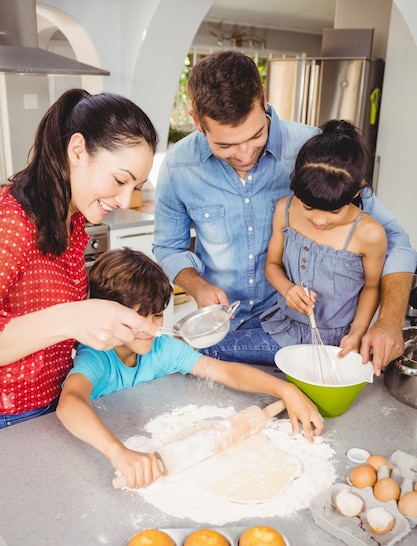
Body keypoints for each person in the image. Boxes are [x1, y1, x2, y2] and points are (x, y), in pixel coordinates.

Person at [153, 50, 416, 373]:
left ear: (263, 98)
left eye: (255, 135)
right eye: (225, 146)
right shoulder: (179, 167)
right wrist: (197, 286)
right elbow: (168, 247)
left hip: (299, 330)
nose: (244, 154)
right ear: (196, 121)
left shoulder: (314, 151)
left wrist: (389, 321)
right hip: (226, 330)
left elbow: (394, 239)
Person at [56, 248, 324, 489]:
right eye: (139, 318)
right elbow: (69, 403)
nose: (151, 327)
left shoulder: (162, 348)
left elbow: (225, 371)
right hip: (98, 461)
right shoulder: (97, 357)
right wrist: (118, 452)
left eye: (157, 315)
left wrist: (285, 389)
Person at [0, 88, 161, 428]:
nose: (124, 198)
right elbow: (64, 319)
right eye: (120, 180)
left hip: (48, 403)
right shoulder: (11, 221)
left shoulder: (73, 222)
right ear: (77, 150)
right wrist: (74, 318)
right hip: (9, 416)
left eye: (137, 186)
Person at [261, 119, 387, 356]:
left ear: (357, 190)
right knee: (213, 351)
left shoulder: (370, 234)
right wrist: (288, 289)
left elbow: (372, 287)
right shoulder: (284, 210)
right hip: (284, 331)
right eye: (308, 207)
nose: (319, 221)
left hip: (337, 342)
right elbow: (271, 264)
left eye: (334, 211)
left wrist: (357, 335)